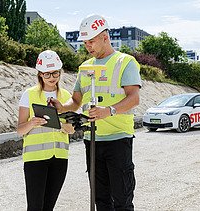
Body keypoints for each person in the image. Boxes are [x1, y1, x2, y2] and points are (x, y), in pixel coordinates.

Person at [50, 14, 141, 210]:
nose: (87, 46)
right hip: (92, 140)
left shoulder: (124, 62)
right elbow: (75, 101)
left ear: (105, 37)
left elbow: (134, 98)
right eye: (85, 42)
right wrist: (61, 107)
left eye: (91, 41)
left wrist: (108, 111)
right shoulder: (85, 67)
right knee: (100, 200)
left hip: (118, 139)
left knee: (122, 200)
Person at [17, 50, 74, 211]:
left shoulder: (66, 96)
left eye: (55, 73)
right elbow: (20, 130)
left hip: (59, 159)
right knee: (35, 207)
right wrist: (32, 123)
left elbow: (71, 130)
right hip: (35, 160)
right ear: (40, 74)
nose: (52, 78)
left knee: (49, 207)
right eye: (47, 74)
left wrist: (61, 126)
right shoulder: (29, 95)